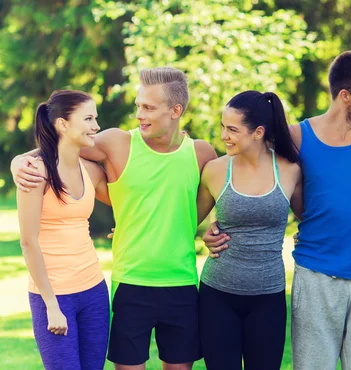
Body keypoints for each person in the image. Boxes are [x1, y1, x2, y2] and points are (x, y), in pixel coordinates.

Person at [204, 50, 351, 369]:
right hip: (315, 275)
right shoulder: (298, 137)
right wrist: (221, 222)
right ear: (345, 96)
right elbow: (255, 170)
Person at [11, 67, 217, 370]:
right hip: (130, 284)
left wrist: (213, 229)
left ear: (176, 111)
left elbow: (202, 208)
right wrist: (21, 161)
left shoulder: (202, 154)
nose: (139, 114)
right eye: (137, 105)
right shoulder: (117, 143)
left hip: (182, 284)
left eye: (147, 107)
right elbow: (63, 146)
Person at [195, 90, 302, 369]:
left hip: (268, 296)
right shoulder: (215, 170)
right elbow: (187, 219)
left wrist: (308, 236)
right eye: (222, 127)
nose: (223, 136)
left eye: (232, 129)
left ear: (258, 132)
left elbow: (312, 218)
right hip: (217, 294)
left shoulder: (290, 170)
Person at [17, 90, 111, 370]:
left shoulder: (92, 171)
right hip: (54, 295)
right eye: (89, 118)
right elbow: (28, 243)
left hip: (94, 291)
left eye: (96, 118)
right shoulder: (36, 172)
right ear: (63, 124)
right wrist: (51, 305)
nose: (96, 126)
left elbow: (129, 204)